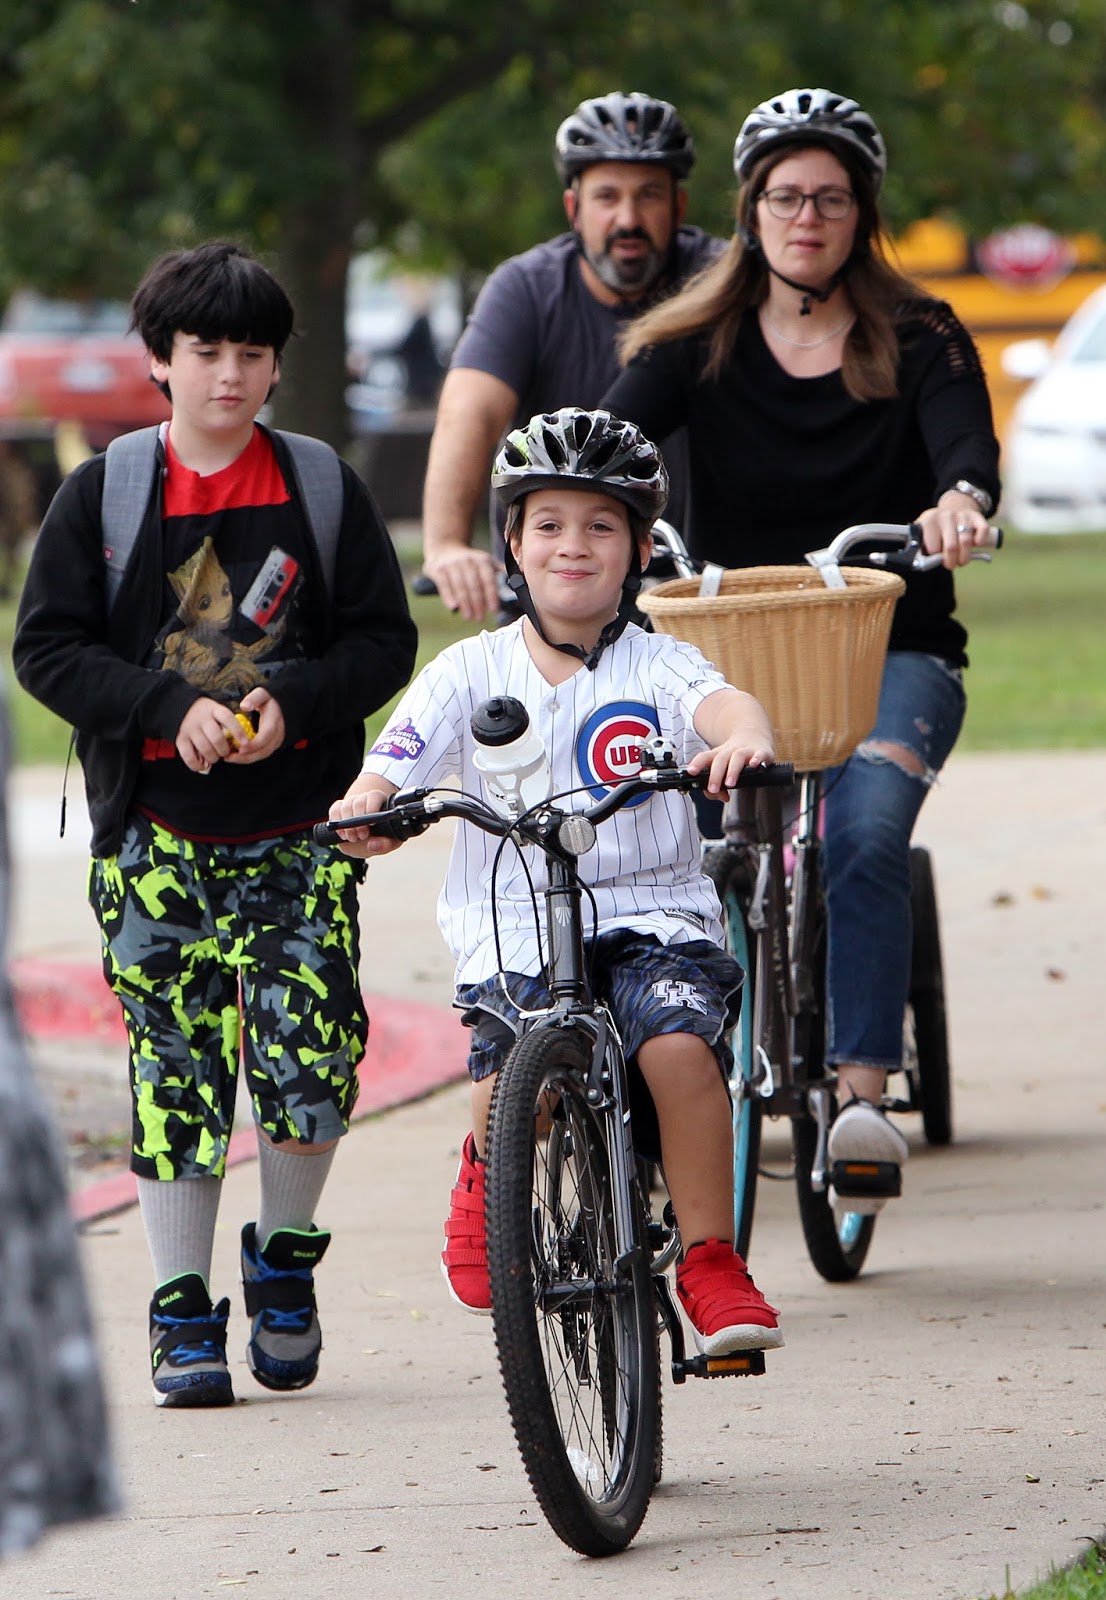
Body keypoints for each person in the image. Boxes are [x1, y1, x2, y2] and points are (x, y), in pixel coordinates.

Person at [13, 241, 418, 1408]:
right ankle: (181, 1307)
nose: (229, 376)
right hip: (157, 844)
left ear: (277, 366)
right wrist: (162, 708)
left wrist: (289, 703)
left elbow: (382, 643)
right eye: (205, 353)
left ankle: (283, 1267)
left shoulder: (320, 489)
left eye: (252, 354)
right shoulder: (108, 493)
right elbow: (46, 647)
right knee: (177, 1073)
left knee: (309, 1064)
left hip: (299, 834)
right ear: (160, 360)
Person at [603, 87, 1001, 1219]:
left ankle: (863, 1096)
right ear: (749, 211)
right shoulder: (696, 341)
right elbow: (609, 446)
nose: (804, 217)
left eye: (829, 198)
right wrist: (581, 519)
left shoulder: (919, 334)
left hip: (892, 644)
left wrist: (959, 504)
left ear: (860, 213)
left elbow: (963, 453)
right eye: (783, 196)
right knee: (651, 843)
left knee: (859, 835)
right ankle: (633, 1087)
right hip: (729, 656)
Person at [330, 407, 783, 1358]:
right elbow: (396, 758)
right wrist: (371, 804)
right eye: (549, 524)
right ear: (512, 543)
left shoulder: (659, 662)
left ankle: (709, 1257)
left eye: (601, 525)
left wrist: (743, 738)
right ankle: (486, 1176)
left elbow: (722, 704)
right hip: (515, 925)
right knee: (514, 1080)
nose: (573, 545)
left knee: (675, 1054)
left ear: (640, 548)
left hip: (651, 911)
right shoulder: (469, 669)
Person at [421, 90, 723, 622]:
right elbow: (469, 412)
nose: (628, 218)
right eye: (607, 196)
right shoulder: (526, 288)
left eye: (648, 195)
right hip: (552, 589)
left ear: (678, 207)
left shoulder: (721, 279)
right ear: (573, 208)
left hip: (697, 592)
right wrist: (446, 544)